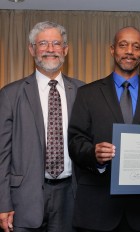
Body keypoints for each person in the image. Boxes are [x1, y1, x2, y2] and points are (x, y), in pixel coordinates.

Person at [68, 26, 140, 232]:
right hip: (97, 209)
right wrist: (94, 154)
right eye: (123, 45)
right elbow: (75, 141)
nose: (129, 51)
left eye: (136, 47)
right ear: (112, 50)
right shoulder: (87, 94)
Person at [0, 21, 84, 232]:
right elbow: (2, 155)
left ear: (65, 49)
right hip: (24, 199)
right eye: (43, 43)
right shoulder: (10, 94)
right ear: (32, 49)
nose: (50, 49)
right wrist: (3, 203)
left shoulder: (83, 91)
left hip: (71, 196)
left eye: (56, 43)